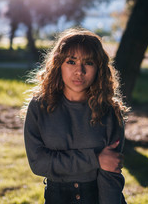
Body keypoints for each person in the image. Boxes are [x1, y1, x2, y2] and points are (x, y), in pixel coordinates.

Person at [23, 27, 128, 204]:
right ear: (58, 65)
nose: (79, 71)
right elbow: (38, 163)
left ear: (98, 68)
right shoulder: (39, 107)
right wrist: (95, 159)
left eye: (88, 62)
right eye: (71, 62)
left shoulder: (109, 111)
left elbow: (110, 173)